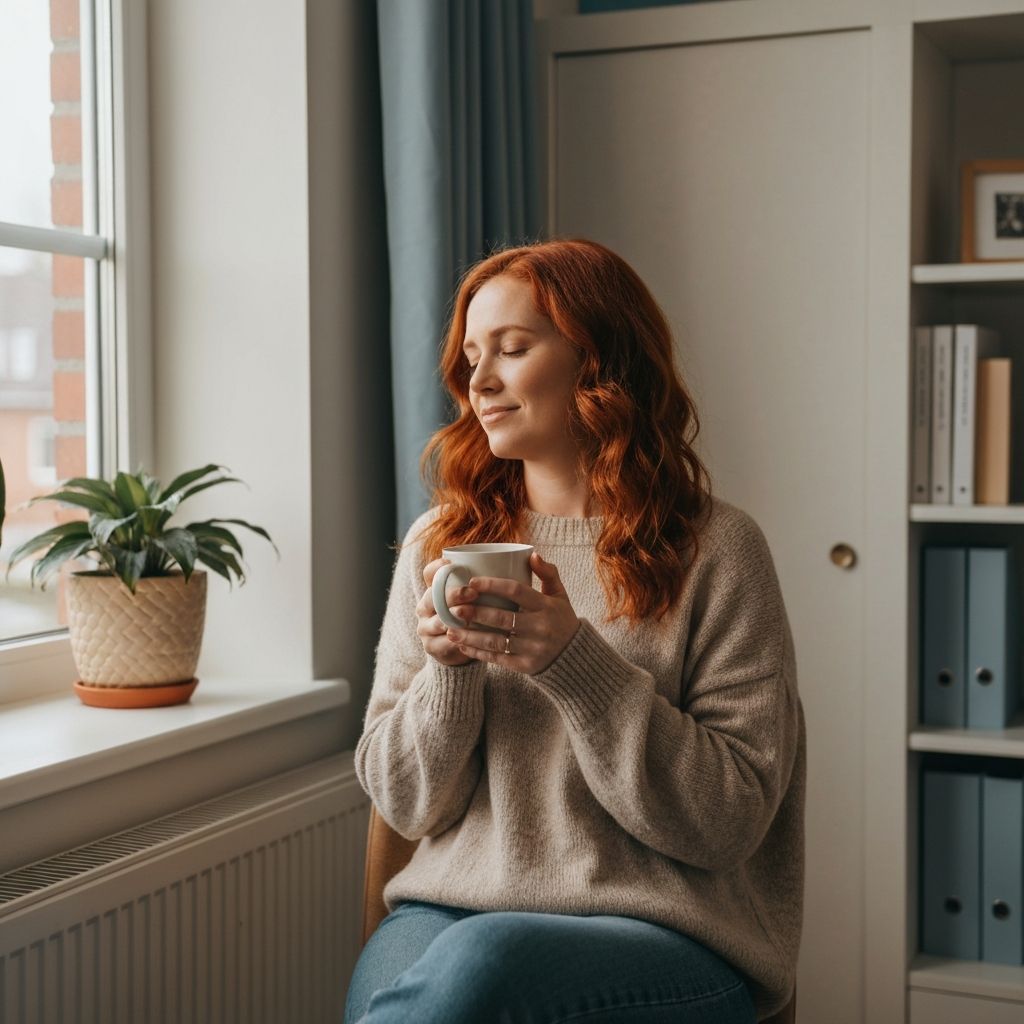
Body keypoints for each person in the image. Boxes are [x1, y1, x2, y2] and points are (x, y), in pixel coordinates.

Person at [344, 239, 805, 1023]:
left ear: (601, 359)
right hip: (447, 908)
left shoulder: (718, 551)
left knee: (476, 970)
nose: (480, 381)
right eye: (472, 357)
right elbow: (403, 805)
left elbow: (728, 820)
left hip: (662, 929)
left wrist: (572, 662)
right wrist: (448, 674)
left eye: (513, 349)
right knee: (439, 977)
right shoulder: (437, 545)